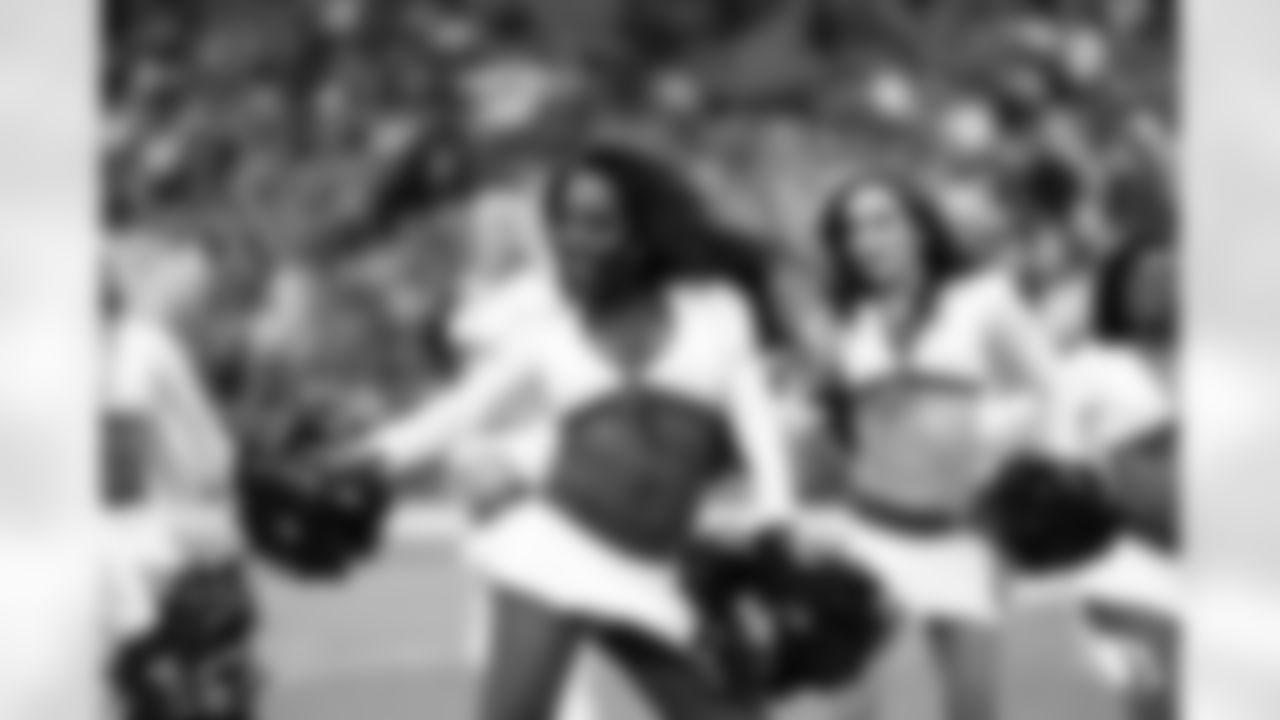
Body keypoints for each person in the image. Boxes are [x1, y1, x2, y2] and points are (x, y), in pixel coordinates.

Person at [345, 145, 798, 720]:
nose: (575, 239)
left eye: (598, 223)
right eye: (563, 223)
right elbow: (456, 414)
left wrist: (778, 518)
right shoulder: (551, 323)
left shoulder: (717, 309)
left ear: (641, 231)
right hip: (554, 550)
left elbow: (756, 419)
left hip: (656, 571)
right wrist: (354, 459)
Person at [794, 175, 1056, 720]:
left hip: (965, 536)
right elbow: (828, 425)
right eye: (851, 229)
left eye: (882, 221)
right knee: (849, 707)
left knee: (973, 709)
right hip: (873, 530)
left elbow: (1050, 390)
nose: (866, 239)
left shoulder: (983, 299)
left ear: (921, 229)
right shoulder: (842, 321)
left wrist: (1001, 459)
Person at [1022, 235, 1179, 720]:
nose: (1162, 286)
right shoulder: (1087, 371)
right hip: (1125, 565)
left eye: (1172, 274)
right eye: (1144, 278)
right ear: (1116, 290)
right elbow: (1059, 467)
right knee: (1154, 694)